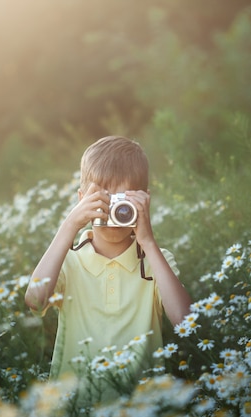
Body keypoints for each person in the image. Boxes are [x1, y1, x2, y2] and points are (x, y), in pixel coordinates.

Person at [24, 135, 191, 403]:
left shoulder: (155, 261)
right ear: (82, 200)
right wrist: (70, 225)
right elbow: (34, 300)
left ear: (144, 202)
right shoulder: (68, 262)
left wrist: (147, 240)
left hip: (142, 405)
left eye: (122, 202)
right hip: (76, 403)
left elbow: (186, 322)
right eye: (104, 201)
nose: (113, 212)